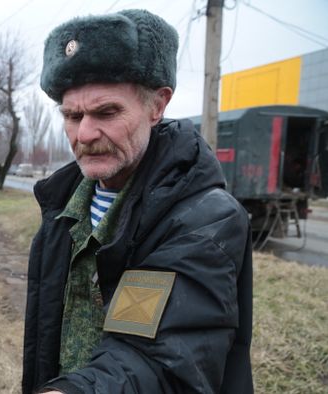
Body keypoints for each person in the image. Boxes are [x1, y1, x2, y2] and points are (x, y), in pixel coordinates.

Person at [23, 10, 253, 394]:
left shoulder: (204, 220)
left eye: (107, 112)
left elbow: (158, 362)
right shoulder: (63, 205)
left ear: (157, 105)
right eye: (72, 115)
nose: (85, 133)